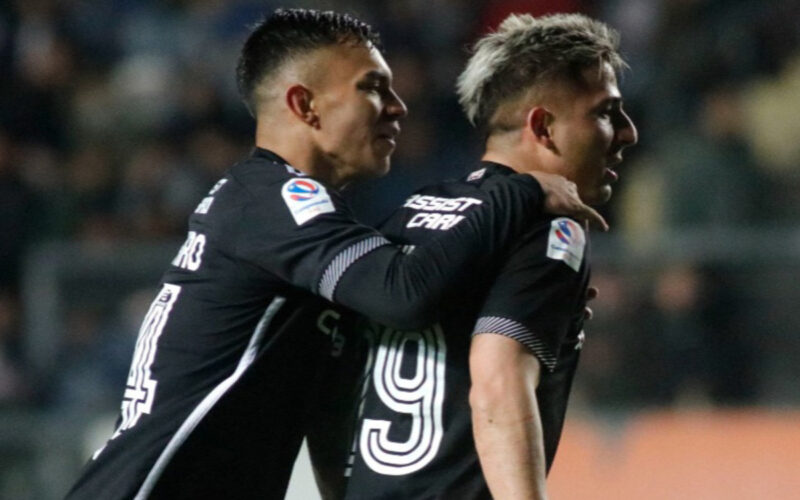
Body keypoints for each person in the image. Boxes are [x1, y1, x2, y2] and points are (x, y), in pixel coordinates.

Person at [65, 9, 601, 500]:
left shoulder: (298, 222)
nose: (397, 107)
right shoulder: (271, 201)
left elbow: (335, 398)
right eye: (372, 88)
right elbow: (403, 293)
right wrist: (523, 191)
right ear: (305, 105)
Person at [310, 12, 637, 500]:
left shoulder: (411, 213)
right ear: (543, 127)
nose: (627, 132)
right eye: (605, 113)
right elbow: (498, 383)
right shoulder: (550, 227)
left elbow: (332, 387)